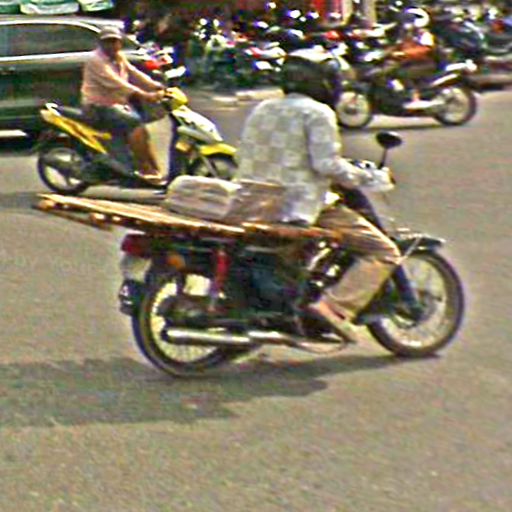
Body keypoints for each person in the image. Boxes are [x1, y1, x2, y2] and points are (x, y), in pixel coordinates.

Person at [235, 49, 401, 342]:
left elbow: (247, 154)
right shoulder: (318, 113)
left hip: (253, 201)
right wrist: (369, 177)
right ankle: (334, 308)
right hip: (297, 205)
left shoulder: (263, 108)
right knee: (384, 251)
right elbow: (327, 164)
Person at [81, 26, 165, 184]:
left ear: (120, 43)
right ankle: (144, 168)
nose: (112, 45)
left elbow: (134, 74)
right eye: (107, 42)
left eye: (115, 41)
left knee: (143, 131)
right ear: (101, 43)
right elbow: (116, 83)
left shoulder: (119, 57)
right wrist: (145, 95)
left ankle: (153, 169)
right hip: (98, 107)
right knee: (135, 124)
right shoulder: (96, 61)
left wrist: (156, 86)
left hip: (117, 104)